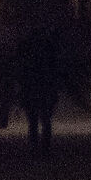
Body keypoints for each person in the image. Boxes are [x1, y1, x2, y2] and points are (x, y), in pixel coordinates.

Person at [16, 26, 62, 154]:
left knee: (33, 120)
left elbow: (20, 69)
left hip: (32, 88)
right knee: (44, 119)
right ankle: (44, 146)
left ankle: (34, 145)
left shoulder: (26, 48)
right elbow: (55, 69)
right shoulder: (48, 49)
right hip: (44, 88)